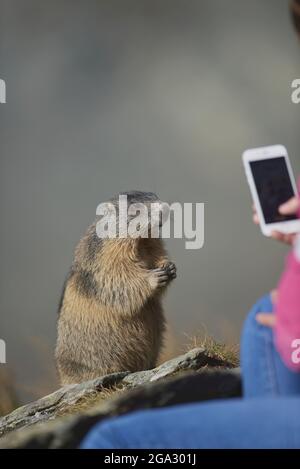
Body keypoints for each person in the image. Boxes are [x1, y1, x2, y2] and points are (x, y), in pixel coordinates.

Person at [80, 194, 300, 449]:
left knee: (110, 440)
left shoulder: (148, 243)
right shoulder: (98, 262)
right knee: (264, 316)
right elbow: (114, 296)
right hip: (99, 361)